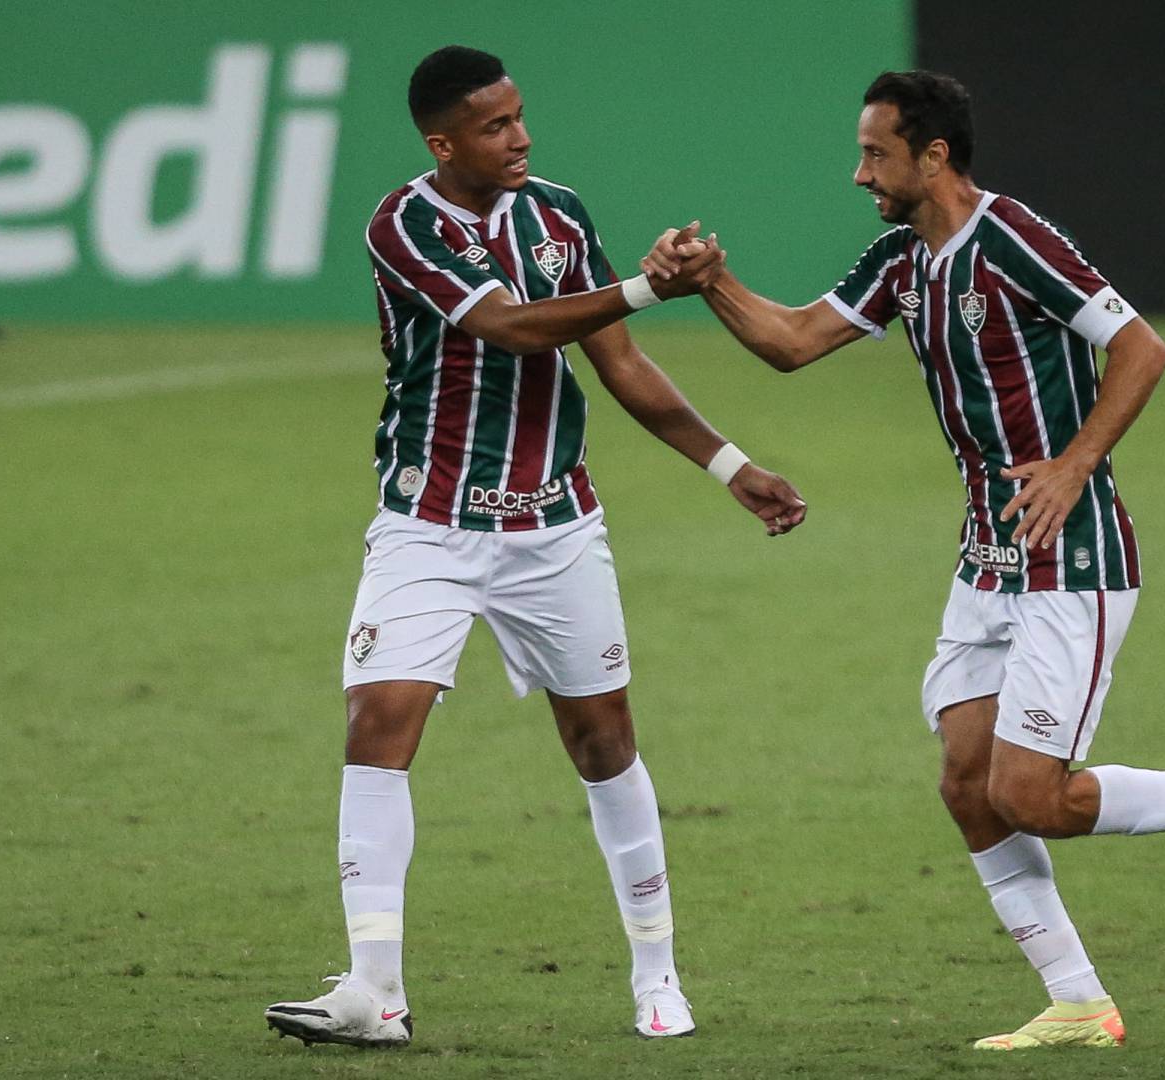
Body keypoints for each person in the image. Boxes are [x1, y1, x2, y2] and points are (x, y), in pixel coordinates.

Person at [642, 69, 1165, 1051]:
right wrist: (709, 282)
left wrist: (1075, 464)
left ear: (934, 156)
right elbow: (789, 342)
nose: (859, 172)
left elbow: (1141, 348)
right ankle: (1079, 1003)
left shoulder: (1013, 241)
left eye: (876, 154)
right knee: (968, 782)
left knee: (1031, 796)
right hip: (986, 563)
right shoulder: (901, 261)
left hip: (1070, 558)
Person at [264, 45, 807, 1049]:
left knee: (603, 743)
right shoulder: (404, 224)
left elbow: (620, 364)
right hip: (427, 522)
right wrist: (649, 285)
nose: (521, 137)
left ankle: (658, 977)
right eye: (496, 126)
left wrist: (730, 467)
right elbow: (513, 328)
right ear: (443, 142)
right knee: (379, 719)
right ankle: (373, 995)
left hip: (554, 527)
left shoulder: (557, 213)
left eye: (520, 117)